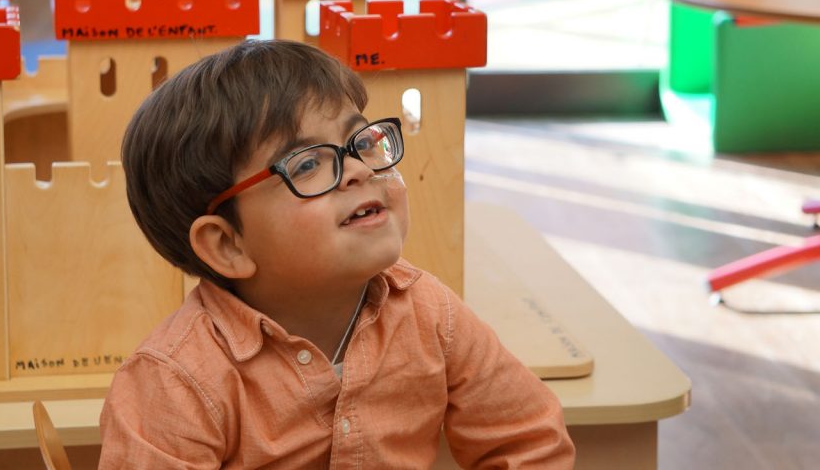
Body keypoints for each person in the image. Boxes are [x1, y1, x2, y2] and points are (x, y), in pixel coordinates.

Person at [100, 39, 575, 468]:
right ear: (228, 245)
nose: (358, 170)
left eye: (361, 142)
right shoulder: (175, 381)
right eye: (307, 163)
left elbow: (530, 444)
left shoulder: (431, 313)